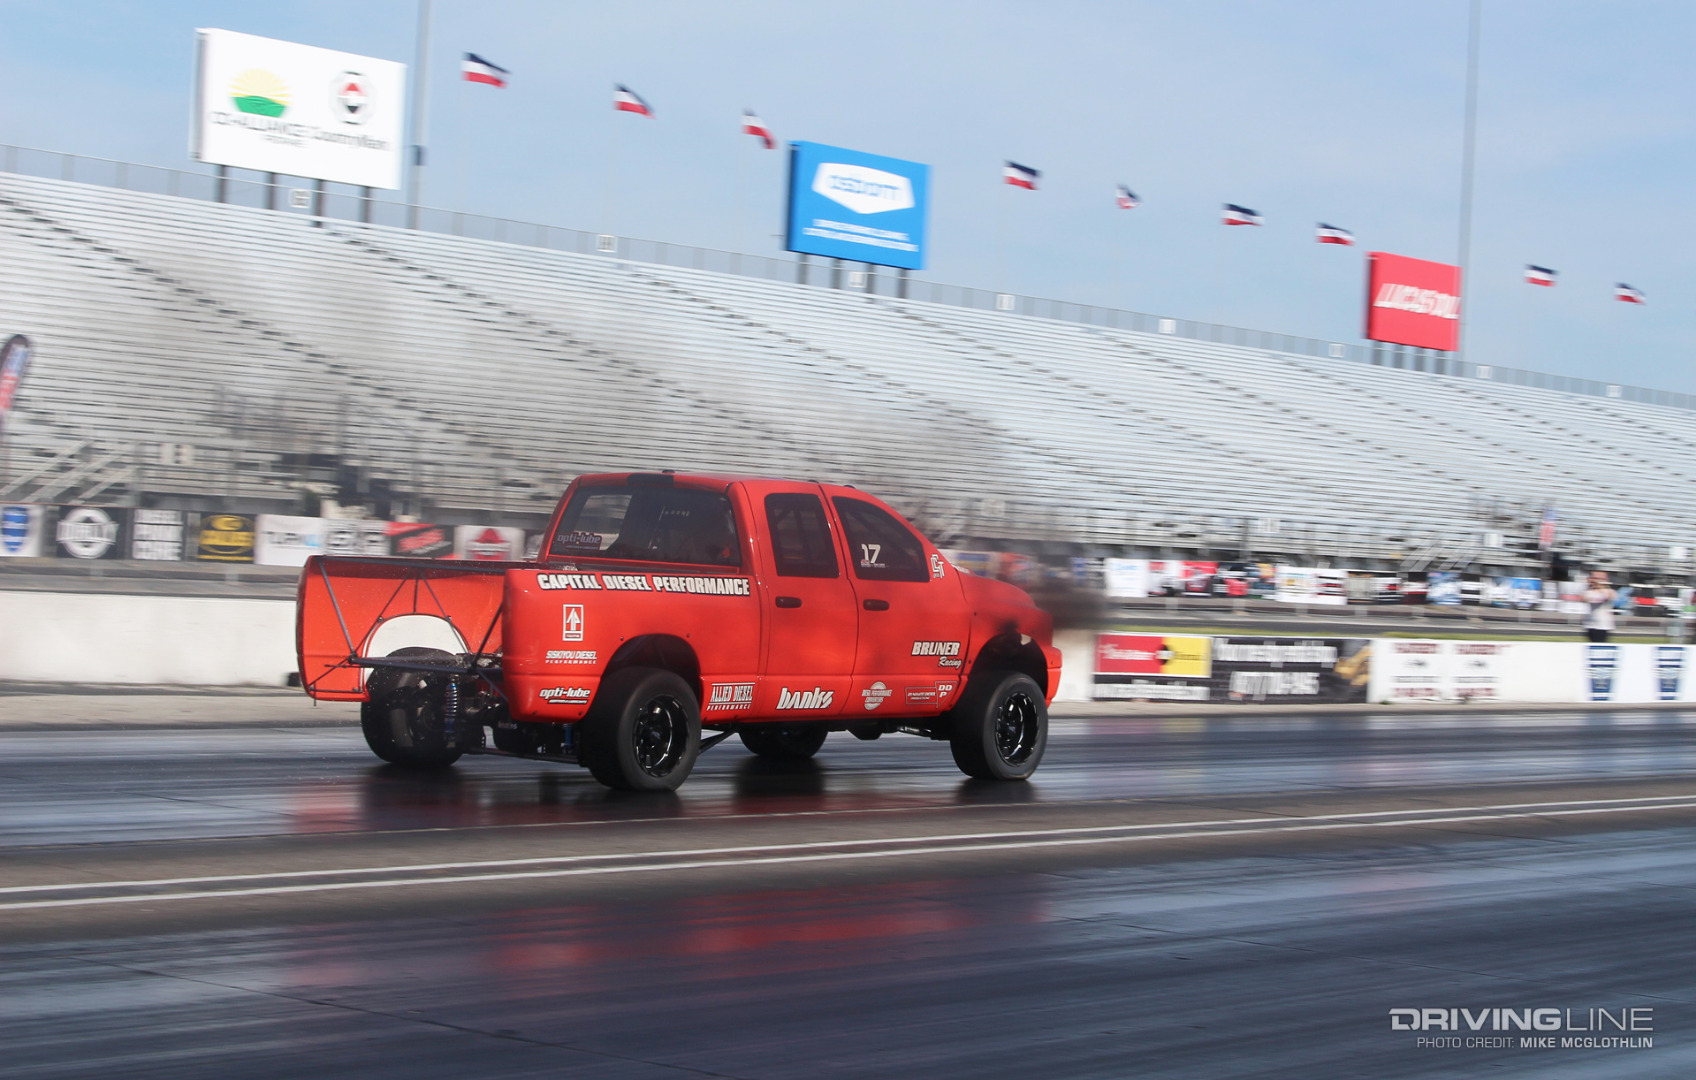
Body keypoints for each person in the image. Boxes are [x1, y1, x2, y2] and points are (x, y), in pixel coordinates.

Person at [1582, 571, 1617, 643]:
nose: (1596, 580)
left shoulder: (1609, 591)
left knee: (1600, 644)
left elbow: (1607, 597)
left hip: (1603, 625)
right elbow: (1583, 599)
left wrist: (1600, 586)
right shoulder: (1589, 592)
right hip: (1590, 624)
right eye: (1594, 578)